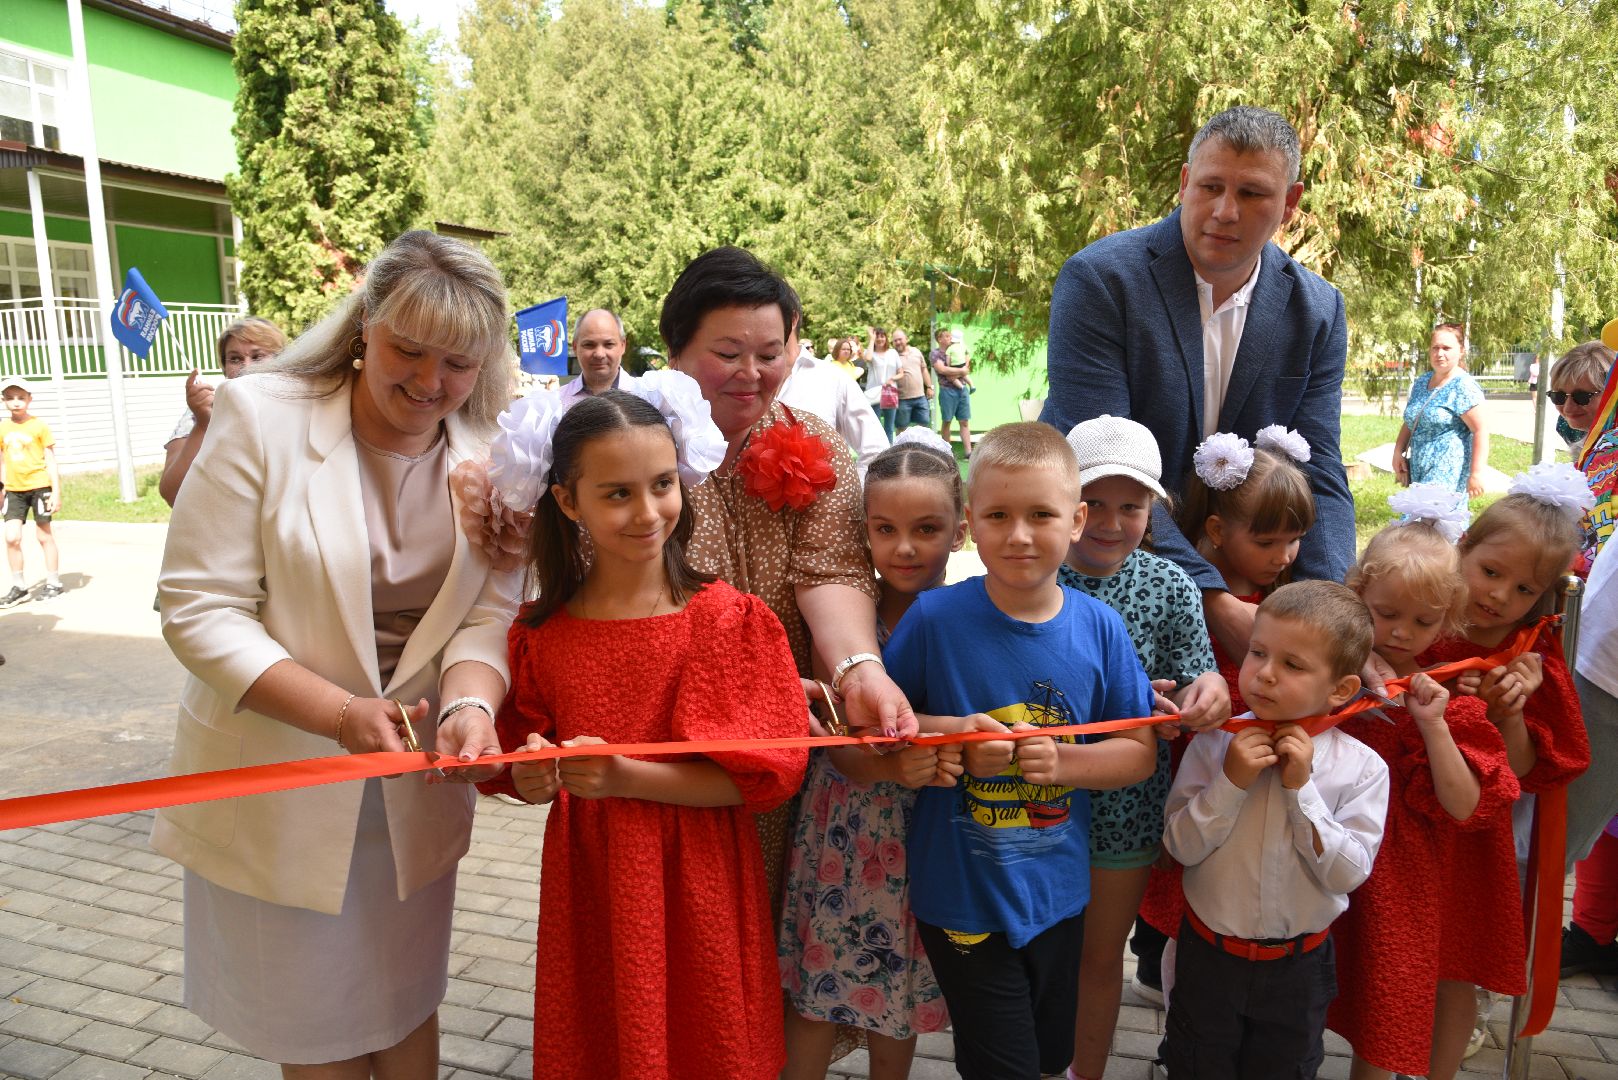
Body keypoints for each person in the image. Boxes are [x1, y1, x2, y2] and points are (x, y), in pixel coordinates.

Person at [154, 230, 520, 1078]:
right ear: (365, 326)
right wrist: (340, 714)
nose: (431, 384)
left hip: (411, 791)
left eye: (459, 362)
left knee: (406, 1006)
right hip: (286, 776)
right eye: (410, 350)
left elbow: (488, 611)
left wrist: (469, 706)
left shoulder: (493, 449)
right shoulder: (261, 417)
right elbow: (198, 608)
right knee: (317, 1034)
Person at [476, 386, 809, 1079]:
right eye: (617, 493)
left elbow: (756, 780)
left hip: (699, 885)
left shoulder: (725, 620)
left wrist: (625, 776)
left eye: (662, 485)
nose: (649, 511)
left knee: (705, 1037)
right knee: (605, 1040)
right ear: (568, 502)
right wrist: (534, 772)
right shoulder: (545, 633)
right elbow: (519, 757)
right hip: (593, 885)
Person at [884, 421, 1158, 1080]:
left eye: (1041, 514)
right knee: (1002, 1065)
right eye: (998, 515)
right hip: (961, 901)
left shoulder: (1100, 628)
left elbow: (1138, 752)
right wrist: (949, 737)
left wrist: (1062, 762)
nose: (1019, 534)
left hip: (1060, 896)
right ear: (971, 522)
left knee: (1048, 1057)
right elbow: (877, 735)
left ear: (1076, 520)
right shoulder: (933, 620)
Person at [1042, 105, 1355, 666]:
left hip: (1249, 578)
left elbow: (1321, 470)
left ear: (1290, 203)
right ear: (1185, 183)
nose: (1224, 211)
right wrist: (1211, 599)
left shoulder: (1320, 310)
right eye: (1210, 186)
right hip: (1109, 571)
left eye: (1254, 194)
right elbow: (1102, 463)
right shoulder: (1100, 281)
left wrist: (1331, 610)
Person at [658, 246, 917, 891]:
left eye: (770, 354)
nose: (751, 373)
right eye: (727, 353)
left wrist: (860, 672)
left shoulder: (815, 442)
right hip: (671, 745)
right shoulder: (631, 451)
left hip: (791, 737)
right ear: (675, 350)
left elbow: (831, 570)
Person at [779, 434, 964, 1080]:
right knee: (817, 990)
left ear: (959, 531)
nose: (905, 547)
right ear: (863, 533)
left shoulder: (969, 618)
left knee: (899, 1000)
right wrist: (886, 764)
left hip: (925, 842)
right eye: (885, 529)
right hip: (845, 833)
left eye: (926, 528)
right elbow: (836, 745)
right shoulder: (842, 622)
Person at [1056, 415, 1229, 1080]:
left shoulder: (1170, 586)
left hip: (1126, 811)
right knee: (1044, 958)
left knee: (1101, 960)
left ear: (1155, 510)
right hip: (1028, 805)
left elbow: (1199, 675)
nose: (1109, 521)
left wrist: (1205, 695)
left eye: (1131, 506)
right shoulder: (1033, 576)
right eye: (1093, 502)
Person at [1162, 580, 1390, 1080]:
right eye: (1258, 653)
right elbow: (1179, 845)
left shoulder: (1363, 769)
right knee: (1196, 1065)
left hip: (1299, 966)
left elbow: (1347, 874)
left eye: (1292, 664)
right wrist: (1230, 782)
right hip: (1209, 956)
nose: (1264, 674)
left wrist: (1302, 791)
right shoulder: (1214, 745)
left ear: (1342, 689)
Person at [1330, 504, 1519, 1080]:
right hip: (1331, 861)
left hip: (1405, 877)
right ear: (1357, 592)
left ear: (1448, 622)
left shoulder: (1446, 697)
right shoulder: (1331, 673)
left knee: (1384, 996)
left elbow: (1467, 803)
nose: (1402, 633)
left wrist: (1434, 724)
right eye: (1386, 614)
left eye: (1424, 622)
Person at [1419, 472, 1594, 1069]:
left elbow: (1524, 773)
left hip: (1472, 845)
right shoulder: (1418, 620)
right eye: (1490, 572)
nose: (1499, 596)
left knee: (1455, 970)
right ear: (1462, 548)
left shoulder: (1529, 657)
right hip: (1400, 828)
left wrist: (1508, 714)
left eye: (1524, 588)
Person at [159, 316, 287, 507]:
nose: (246, 367)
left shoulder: (297, 406)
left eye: (257, 356)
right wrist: (203, 426)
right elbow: (172, 494)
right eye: (235, 359)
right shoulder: (204, 409)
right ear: (224, 367)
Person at [777, 318, 891, 479]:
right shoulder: (734, 381)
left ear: (792, 318)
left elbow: (875, 450)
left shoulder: (833, 377)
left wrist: (846, 496)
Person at [1393, 324, 1490, 498]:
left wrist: (1476, 473)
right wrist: (1398, 451)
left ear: (1461, 351)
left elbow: (1480, 430)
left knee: (1434, 520)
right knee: (1417, 520)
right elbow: (1412, 419)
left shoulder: (1463, 386)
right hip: (1419, 468)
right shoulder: (1422, 382)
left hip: (1447, 472)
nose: (1440, 353)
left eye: (1446, 348)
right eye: (1435, 348)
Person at [1, 378, 62, 606]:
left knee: (43, 535)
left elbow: (51, 460)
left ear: (29, 399)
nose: (16, 402)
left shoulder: (39, 426)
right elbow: (2, 461)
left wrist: (56, 492)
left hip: (39, 486)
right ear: (4, 400)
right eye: (10, 398)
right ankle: (19, 586)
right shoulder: (3, 428)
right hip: (14, 491)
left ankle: (54, 582)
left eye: (20, 397)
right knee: (11, 537)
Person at [1547, 340, 1613, 457]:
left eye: (1582, 397)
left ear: (1613, 393)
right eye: (1559, 396)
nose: (1568, 408)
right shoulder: (1567, 427)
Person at [559, 307, 636, 401]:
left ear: (623, 346)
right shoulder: (553, 405)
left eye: (609, 344)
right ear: (575, 347)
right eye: (589, 345)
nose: (599, 354)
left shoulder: (648, 397)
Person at [931, 328, 973, 457]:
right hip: (947, 391)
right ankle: (947, 452)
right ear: (940, 339)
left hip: (962, 390)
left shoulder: (958, 348)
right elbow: (942, 369)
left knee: (964, 421)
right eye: (947, 336)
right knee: (947, 421)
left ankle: (968, 452)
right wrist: (961, 371)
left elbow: (968, 366)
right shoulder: (935, 353)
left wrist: (960, 370)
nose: (951, 339)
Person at [862, 327, 902, 440]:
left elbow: (901, 373)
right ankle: (877, 453)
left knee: (889, 427)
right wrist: (871, 339)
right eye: (877, 336)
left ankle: (889, 453)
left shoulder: (893, 353)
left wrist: (892, 378)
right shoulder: (870, 352)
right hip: (874, 393)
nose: (880, 339)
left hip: (890, 391)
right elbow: (868, 358)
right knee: (876, 426)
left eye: (882, 336)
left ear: (886, 338)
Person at [890, 329, 933, 432]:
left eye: (900, 339)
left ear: (906, 339)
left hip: (920, 397)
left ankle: (923, 448)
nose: (898, 342)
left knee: (924, 426)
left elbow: (924, 369)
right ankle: (901, 448)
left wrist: (930, 387)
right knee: (901, 428)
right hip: (902, 399)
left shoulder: (916, 352)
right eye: (895, 340)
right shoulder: (892, 356)